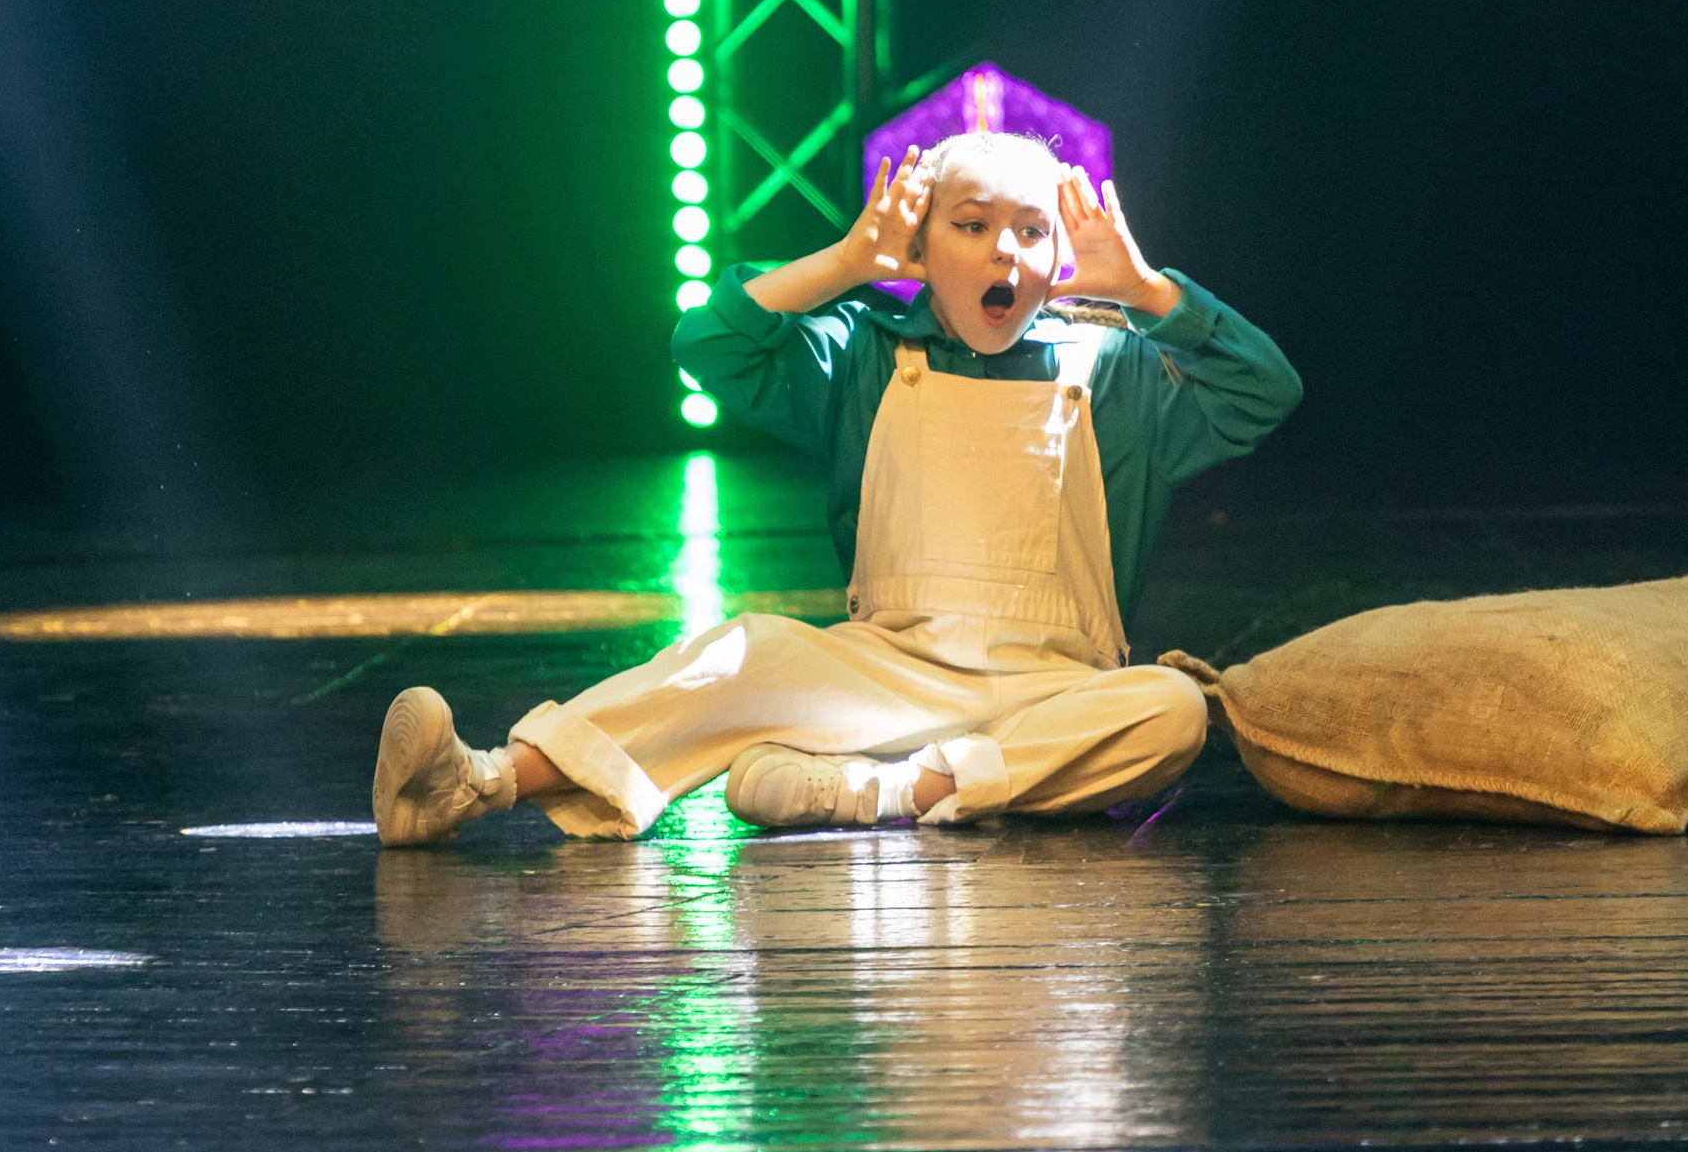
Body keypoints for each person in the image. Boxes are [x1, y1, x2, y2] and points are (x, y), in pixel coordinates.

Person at [371, 130, 1301, 844]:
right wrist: (850, 263)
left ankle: (884, 790)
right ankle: (479, 781)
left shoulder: (1116, 370)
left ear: (1059, 253)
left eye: (1030, 231)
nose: (1004, 254)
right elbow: (710, 342)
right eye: (971, 226)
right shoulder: (865, 355)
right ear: (920, 246)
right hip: (885, 675)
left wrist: (1147, 291)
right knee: (741, 653)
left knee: (1171, 709)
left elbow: (1266, 389)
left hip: (1053, 693)